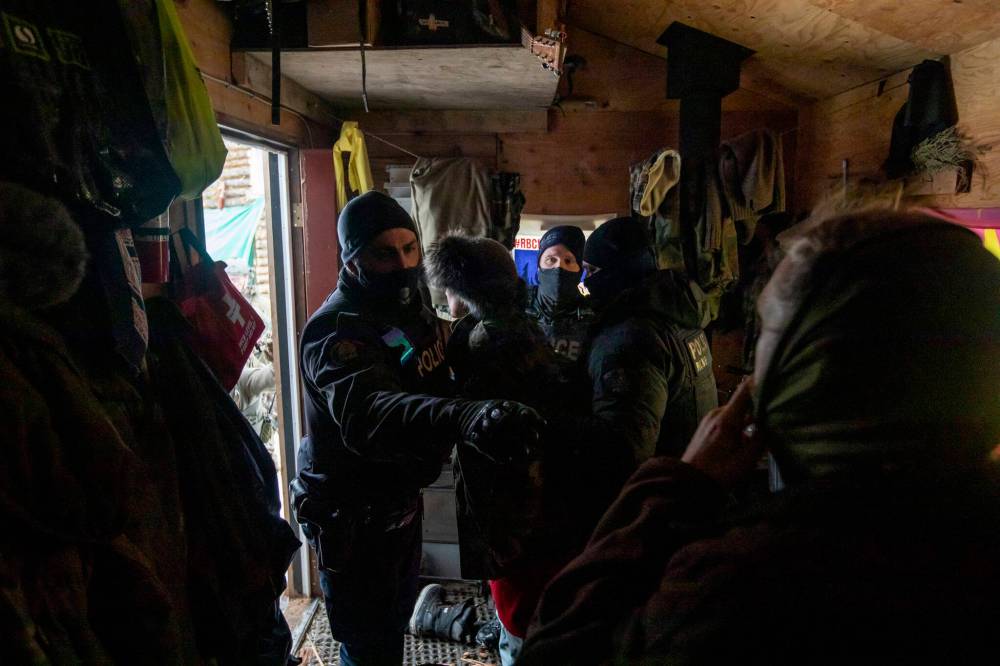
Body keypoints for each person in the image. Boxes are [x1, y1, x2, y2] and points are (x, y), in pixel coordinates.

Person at [519, 208, 1000, 664]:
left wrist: (676, 486)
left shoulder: (744, 585)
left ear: (801, 368)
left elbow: (557, 649)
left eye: (768, 328)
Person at [290, 192, 542, 666]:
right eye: (384, 253)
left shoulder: (407, 302)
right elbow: (371, 411)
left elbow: (430, 356)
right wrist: (462, 415)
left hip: (398, 502)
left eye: (410, 249)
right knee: (369, 643)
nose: (403, 264)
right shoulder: (337, 331)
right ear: (353, 256)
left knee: (394, 618)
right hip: (352, 518)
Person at [412, 234, 588, 665]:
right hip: (544, 506)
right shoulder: (521, 327)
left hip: (513, 509)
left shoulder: (482, 346)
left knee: (520, 614)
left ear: (464, 293)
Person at [563, 217, 718, 520]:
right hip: (687, 496)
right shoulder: (678, 316)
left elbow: (621, 452)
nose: (585, 279)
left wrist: (555, 420)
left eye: (592, 271)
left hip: (652, 515)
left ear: (619, 271)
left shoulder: (630, 339)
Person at [525, 225, 594, 361]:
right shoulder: (515, 305)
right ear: (539, 267)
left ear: (579, 271)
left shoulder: (592, 315)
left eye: (568, 261)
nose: (558, 267)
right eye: (551, 259)